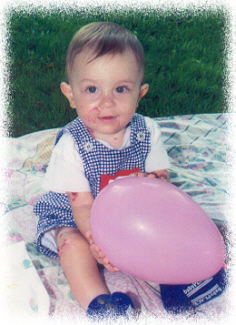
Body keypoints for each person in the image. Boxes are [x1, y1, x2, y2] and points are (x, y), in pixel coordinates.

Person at [34, 21, 170, 321]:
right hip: (78, 217)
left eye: (121, 89)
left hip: (131, 215)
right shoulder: (72, 144)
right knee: (72, 247)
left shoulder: (148, 132)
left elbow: (163, 183)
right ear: (71, 95)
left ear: (140, 93)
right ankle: (100, 305)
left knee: (165, 235)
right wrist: (99, 241)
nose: (106, 102)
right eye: (92, 89)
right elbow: (81, 203)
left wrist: (153, 184)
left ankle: (179, 283)